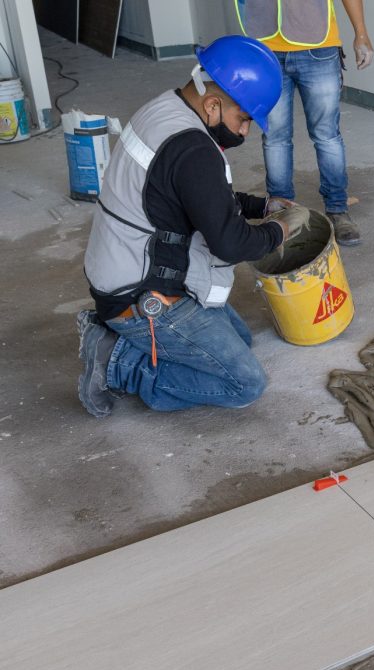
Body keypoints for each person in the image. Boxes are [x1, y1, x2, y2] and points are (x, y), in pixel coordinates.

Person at [76, 35, 294, 418]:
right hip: (139, 294)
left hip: (122, 266)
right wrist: (278, 232)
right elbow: (229, 243)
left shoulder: (166, 108)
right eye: (244, 119)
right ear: (213, 105)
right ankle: (119, 363)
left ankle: (124, 338)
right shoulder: (194, 150)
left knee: (241, 339)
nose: (245, 132)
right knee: (244, 383)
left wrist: (261, 205)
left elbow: (198, 195)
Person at [235, 0, 374, 246]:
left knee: (327, 135)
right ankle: (282, 213)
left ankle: (337, 209)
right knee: (275, 136)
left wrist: (361, 33)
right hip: (265, 48)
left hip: (318, 47)